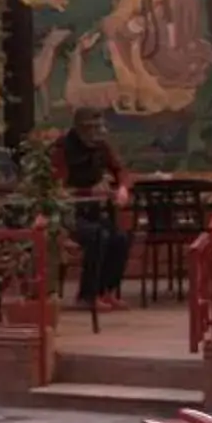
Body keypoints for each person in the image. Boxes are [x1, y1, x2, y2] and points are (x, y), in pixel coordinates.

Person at [57, 105, 132, 311]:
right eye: (89, 128)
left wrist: (123, 189)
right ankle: (87, 295)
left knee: (120, 238)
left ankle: (106, 291)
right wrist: (89, 192)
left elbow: (120, 170)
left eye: (97, 128)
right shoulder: (63, 148)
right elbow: (58, 189)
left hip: (94, 210)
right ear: (79, 128)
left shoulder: (101, 147)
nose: (94, 133)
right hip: (70, 213)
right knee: (98, 236)